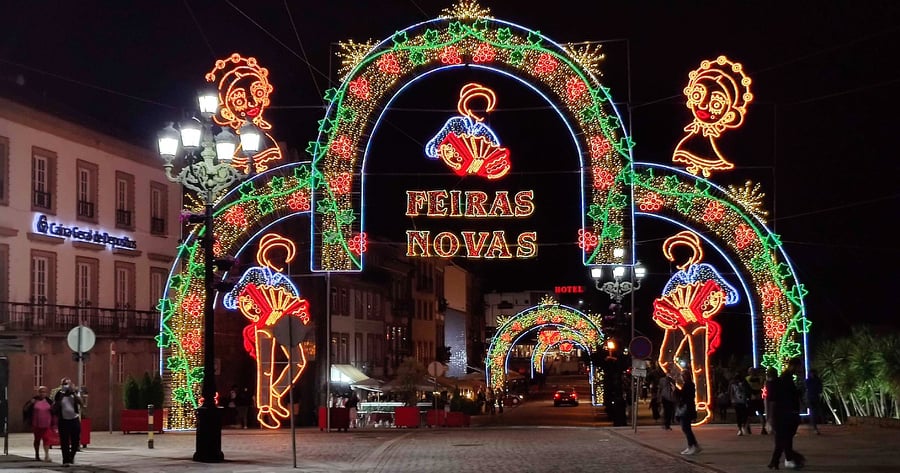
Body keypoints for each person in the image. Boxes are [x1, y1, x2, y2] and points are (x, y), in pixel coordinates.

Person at [768, 359, 805, 470]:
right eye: (799, 367)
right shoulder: (786, 379)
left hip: (782, 414)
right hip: (785, 414)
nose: (800, 369)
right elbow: (787, 397)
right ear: (794, 366)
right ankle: (789, 458)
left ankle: (775, 461)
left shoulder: (785, 378)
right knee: (785, 439)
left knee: (782, 439)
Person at [53, 377, 83, 467]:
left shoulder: (74, 393)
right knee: (64, 441)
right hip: (63, 420)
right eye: (64, 384)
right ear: (61, 385)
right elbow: (55, 407)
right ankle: (65, 460)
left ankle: (71, 456)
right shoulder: (59, 394)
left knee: (75, 441)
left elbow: (81, 403)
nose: (66, 386)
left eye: (68, 384)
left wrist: (73, 393)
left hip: (74, 419)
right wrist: (61, 396)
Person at [24, 386, 54, 462]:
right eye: (41, 392)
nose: (42, 393)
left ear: (46, 393)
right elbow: (25, 409)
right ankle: (37, 454)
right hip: (36, 424)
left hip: (46, 424)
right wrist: (31, 403)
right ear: (38, 392)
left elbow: (54, 411)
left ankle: (47, 456)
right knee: (37, 440)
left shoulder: (49, 401)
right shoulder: (34, 400)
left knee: (46, 439)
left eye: (44, 392)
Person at [676, 374, 701, 455]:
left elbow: (684, 395)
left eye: (683, 376)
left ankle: (692, 446)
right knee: (686, 428)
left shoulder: (688, 385)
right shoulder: (689, 384)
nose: (682, 378)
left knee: (686, 428)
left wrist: (676, 390)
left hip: (686, 408)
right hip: (687, 408)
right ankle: (693, 445)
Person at [746, 367, 768, 434]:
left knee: (749, 414)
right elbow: (762, 386)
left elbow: (746, 388)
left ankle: (748, 427)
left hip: (752, 398)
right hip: (758, 397)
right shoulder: (760, 378)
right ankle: (763, 428)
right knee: (760, 414)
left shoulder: (747, 379)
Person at [805, 369, 823, 434]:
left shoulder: (814, 380)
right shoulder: (811, 381)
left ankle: (813, 425)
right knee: (813, 412)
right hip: (811, 398)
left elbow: (820, 389)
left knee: (814, 412)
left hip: (814, 397)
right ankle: (814, 426)